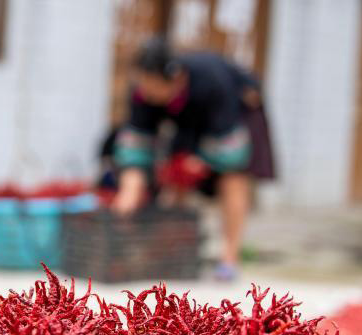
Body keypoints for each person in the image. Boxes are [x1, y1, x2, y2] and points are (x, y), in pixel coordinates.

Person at [112, 38, 275, 280]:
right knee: (175, 173)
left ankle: (229, 259)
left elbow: (229, 146)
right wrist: (131, 183)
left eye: (153, 86)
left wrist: (201, 161)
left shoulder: (211, 80)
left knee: (233, 179)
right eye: (142, 84)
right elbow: (137, 138)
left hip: (234, 121)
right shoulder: (142, 93)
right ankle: (171, 255)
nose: (147, 92)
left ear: (176, 80)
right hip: (187, 126)